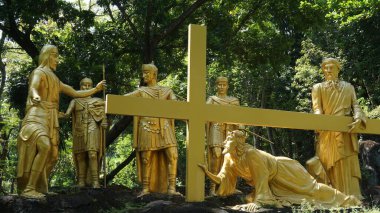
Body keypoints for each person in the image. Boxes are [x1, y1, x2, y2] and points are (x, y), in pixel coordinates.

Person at [16, 45, 106, 198]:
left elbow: (75, 93)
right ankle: (29, 188)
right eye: (55, 56)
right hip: (37, 115)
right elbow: (33, 87)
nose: (57, 60)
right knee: (43, 146)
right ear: (46, 56)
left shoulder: (56, 79)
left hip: (52, 118)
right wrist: (35, 95)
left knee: (53, 155)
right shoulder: (39, 72)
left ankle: (40, 187)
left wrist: (96, 90)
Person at [199, 130, 361, 210]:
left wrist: (260, 201)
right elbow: (222, 179)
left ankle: (348, 201)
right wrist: (206, 172)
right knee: (250, 199)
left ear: (237, 142)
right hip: (272, 183)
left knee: (312, 189)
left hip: (285, 170)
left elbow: (261, 179)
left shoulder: (251, 154)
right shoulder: (229, 158)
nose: (224, 142)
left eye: (228, 140)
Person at [307, 58, 365, 199]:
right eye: (325, 68)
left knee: (347, 162)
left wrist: (358, 116)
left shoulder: (348, 87)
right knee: (326, 163)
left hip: (346, 131)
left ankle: (352, 197)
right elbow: (317, 109)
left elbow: (356, 105)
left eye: (331, 67)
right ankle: (332, 196)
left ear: (338, 69)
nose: (328, 70)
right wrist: (321, 123)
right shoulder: (318, 88)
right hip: (327, 133)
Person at [124, 63, 179, 196]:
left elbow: (177, 105)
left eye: (146, 73)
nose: (144, 76)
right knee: (146, 158)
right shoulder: (141, 91)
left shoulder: (167, 91)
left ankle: (172, 188)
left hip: (164, 126)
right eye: (143, 73)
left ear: (154, 74)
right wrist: (103, 102)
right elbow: (123, 100)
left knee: (173, 155)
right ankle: (145, 189)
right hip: (146, 126)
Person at [64, 77, 107, 188]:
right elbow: (67, 114)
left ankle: (95, 181)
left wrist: (104, 122)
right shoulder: (75, 101)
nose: (86, 87)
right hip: (79, 128)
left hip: (92, 127)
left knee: (92, 154)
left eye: (89, 85)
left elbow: (103, 118)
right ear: (80, 86)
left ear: (92, 87)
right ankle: (81, 181)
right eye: (84, 85)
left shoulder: (98, 101)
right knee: (80, 156)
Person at [206, 76, 240, 195]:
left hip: (229, 131)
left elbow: (239, 118)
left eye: (224, 85)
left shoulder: (234, 101)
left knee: (230, 157)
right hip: (216, 128)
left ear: (227, 86)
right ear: (216, 86)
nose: (221, 87)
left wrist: (241, 129)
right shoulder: (212, 100)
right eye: (219, 84)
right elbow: (204, 114)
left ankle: (229, 186)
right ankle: (212, 187)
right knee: (216, 154)